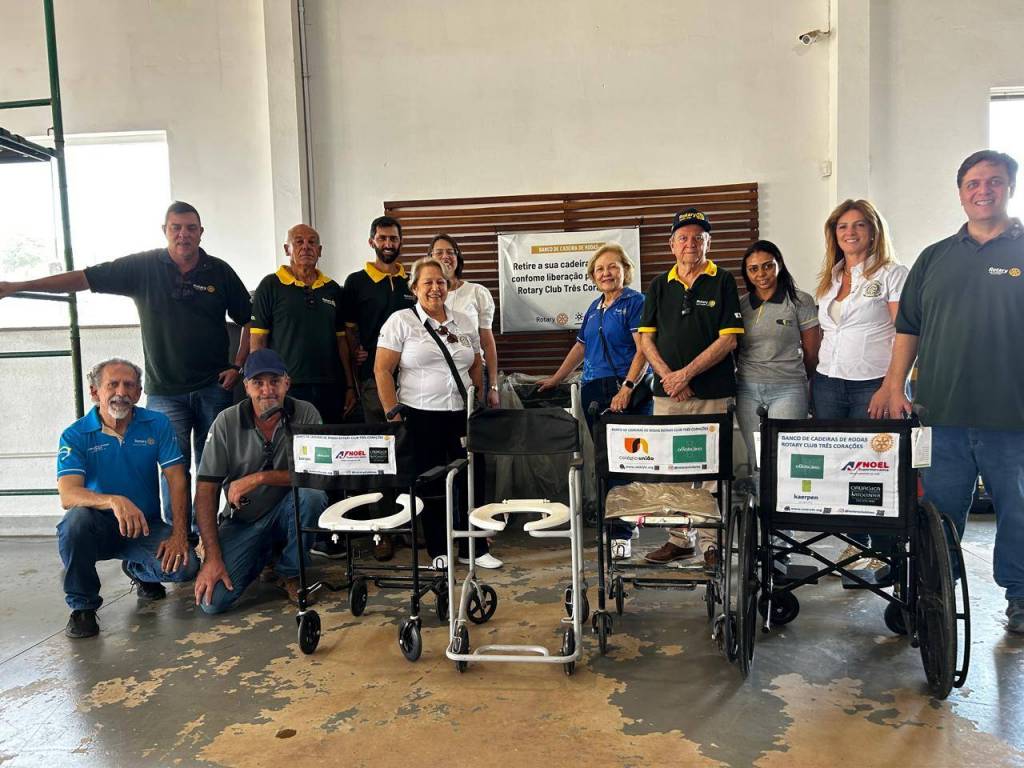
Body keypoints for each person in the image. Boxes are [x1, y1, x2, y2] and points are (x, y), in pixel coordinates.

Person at [0, 201, 252, 529]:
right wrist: (17, 287)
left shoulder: (219, 271)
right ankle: (177, 534)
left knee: (213, 466)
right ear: (165, 231)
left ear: (201, 232)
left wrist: (239, 365)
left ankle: (207, 534)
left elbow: (250, 320)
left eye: (191, 228)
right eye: (176, 228)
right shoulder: (143, 267)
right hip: (165, 392)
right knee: (172, 468)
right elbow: (85, 278)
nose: (183, 234)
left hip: (213, 388)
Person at [869, 150, 1024, 634]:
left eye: (994, 181)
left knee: (1018, 513)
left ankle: (1020, 597)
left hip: (1012, 417)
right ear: (960, 193)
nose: (983, 190)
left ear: (1010, 188)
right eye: (973, 183)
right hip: (941, 414)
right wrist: (893, 384)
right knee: (939, 515)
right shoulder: (934, 258)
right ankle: (934, 595)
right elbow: (908, 328)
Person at [55, 358, 199, 638]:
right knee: (74, 523)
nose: (121, 392)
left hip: (145, 526)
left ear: (139, 392)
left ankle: (138, 569)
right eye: (113, 384)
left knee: (186, 567)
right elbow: (68, 494)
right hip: (97, 527)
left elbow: (177, 479)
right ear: (95, 392)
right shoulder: (75, 435)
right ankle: (83, 607)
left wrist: (180, 534)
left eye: (129, 385)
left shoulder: (157, 423)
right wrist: (113, 501)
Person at [375, 257, 503, 569]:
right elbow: (382, 370)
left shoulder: (464, 320)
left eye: (441, 282)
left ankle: (474, 548)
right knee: (432, 484)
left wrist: (476, 399)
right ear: (414, 288)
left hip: (461, 415)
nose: (435, 288)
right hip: (421, 416)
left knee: (471, 479)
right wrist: (393, 415)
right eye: (428, 282)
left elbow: (475, 363)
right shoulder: (401, 321)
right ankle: (439, 549)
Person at [638, 209, 744, 567]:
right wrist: (670, 377)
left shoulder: (723, 280)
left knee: (713, 472)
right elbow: (646, 339)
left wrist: (685, 375)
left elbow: (729, 340)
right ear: (672, 245)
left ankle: (713, 544)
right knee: (673, 471)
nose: (691, 243)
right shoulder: (658, 284)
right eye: (683, 238)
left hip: (713, 393)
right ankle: (680, 540)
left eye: (699, 237)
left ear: (708, 243)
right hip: (668, 396)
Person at [192, 348, 328, 614]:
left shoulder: (306, 413)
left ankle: (290, 572)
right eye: (258, 382)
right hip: (243, 520)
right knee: (213, 602)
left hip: (288, 511)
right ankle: (263, 556)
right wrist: (212, 557)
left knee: (312, 497)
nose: (267, 390)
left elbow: (319, 473)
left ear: (287, 383)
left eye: (275, 381)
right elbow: (206, 491)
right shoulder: (225, 422)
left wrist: (259, 478)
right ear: (246, 386)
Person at [538, 243, 651, 559]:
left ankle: (620, 533)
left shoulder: (635, 302)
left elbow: (643, 350)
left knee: (622, 462)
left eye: (613, 266)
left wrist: (627, 388)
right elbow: (580, 347)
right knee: (605, 461)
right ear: (592, 276)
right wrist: (556, 379)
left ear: (625, 270)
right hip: (593, 391)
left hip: (623, 390)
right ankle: (620, 520)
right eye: (600, 269)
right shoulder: (595, 307)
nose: (606, 273)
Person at [813, 199, 908, 572]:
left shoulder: (892, 274)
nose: (850, 232)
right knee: (841, 468)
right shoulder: (831, 277)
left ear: (874, 231)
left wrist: (892, 385)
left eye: (859, 225)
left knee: (874, 468)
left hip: (873, 384)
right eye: (842, 227)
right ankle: (855, 546)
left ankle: (884, 552)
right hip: (828, 383)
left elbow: (905, 333)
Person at [343, 215, 416, 561]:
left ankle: (408, 525)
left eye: (394, 238)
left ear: (401, 242)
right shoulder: (356, 282)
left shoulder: (411, 280)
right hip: (375, 380)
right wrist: (357, 353)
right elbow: (348, 331)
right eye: (382, 238)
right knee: (379, 455)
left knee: (409, 452)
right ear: (372, 241)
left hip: (413, 380)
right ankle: (380, 531)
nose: (388, 244)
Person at [251, 224, 357, 424]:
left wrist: (350, 386)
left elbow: (341, 342)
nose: (306, 247)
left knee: (328, 440)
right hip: (286, 386)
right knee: (288, 440)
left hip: (330, 385)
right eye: (299, 242)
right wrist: (260, 387)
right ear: (287, 249)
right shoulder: (270, 286)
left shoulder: (333, 289)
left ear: (320, 250)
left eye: (312, 242)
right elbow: (258, 341)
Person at [735, 240, 819, 480]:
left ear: (779, 264)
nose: (761, 274)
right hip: (748, 391)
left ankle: (784, 506)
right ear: (746, 273)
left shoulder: (800, 301)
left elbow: (812, 351)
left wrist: (796, 379)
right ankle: (760, 505)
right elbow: (734, 349)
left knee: (785, 458)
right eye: (753, 269)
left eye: (767, 266)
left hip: (788, 389)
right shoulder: (741, 305)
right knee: (758, 460)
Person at [431, 233, 502, 409]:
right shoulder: (426, 296)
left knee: (473, 422)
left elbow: (487, 342)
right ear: (430, 258)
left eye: (450, 252)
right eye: (439, 252)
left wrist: (493, 386)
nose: (445, 256)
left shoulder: (477, 292)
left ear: (458, 258)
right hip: (436, 375)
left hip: (474, 372)